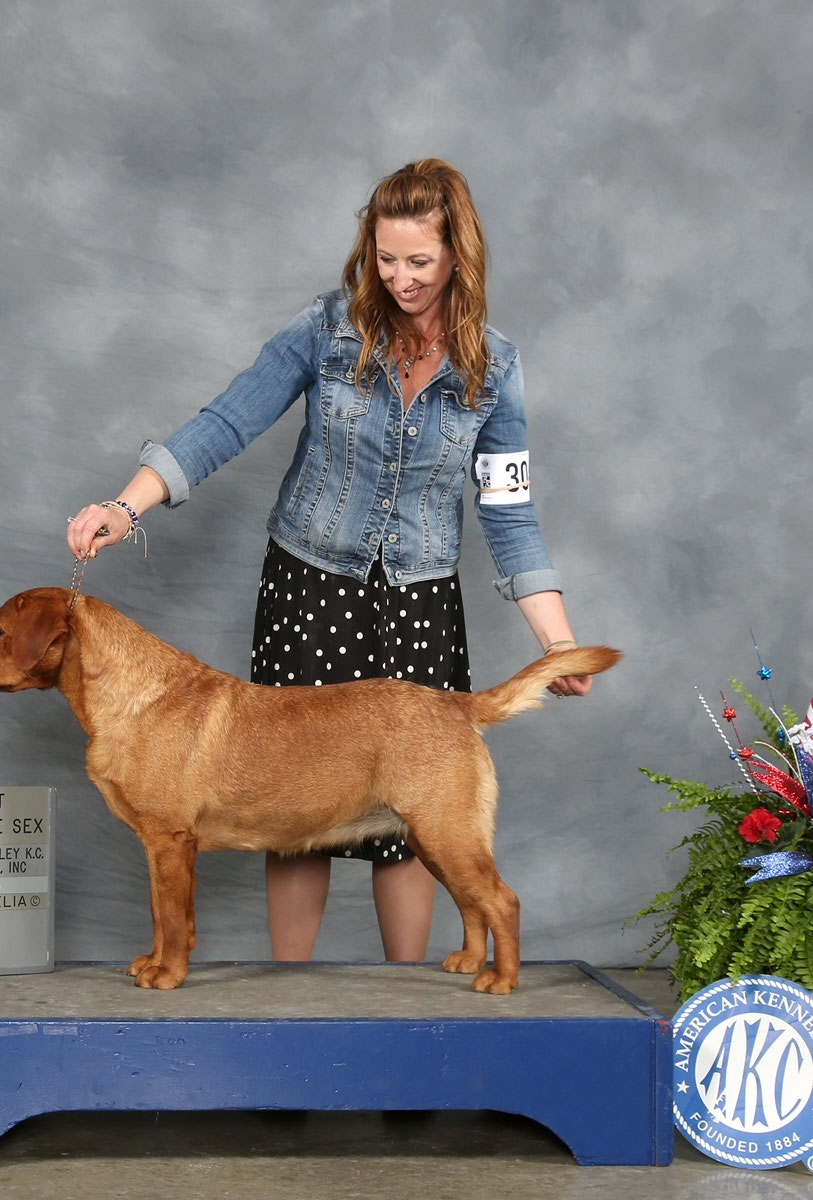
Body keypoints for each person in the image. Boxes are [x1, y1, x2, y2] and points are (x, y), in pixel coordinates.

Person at [67, 158, 592, 965]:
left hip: (422, 601)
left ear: (460, 255)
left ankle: (408, 1006)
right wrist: (123, 505)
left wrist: (557, 641)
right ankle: (292, 1010)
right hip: (309, 587)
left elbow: (509, 512)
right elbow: (225, 422)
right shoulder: (325, 328)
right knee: (291, 814)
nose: (401, 278)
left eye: (420, 261)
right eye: (386, 258)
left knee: (412, 822)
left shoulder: (496, 370)